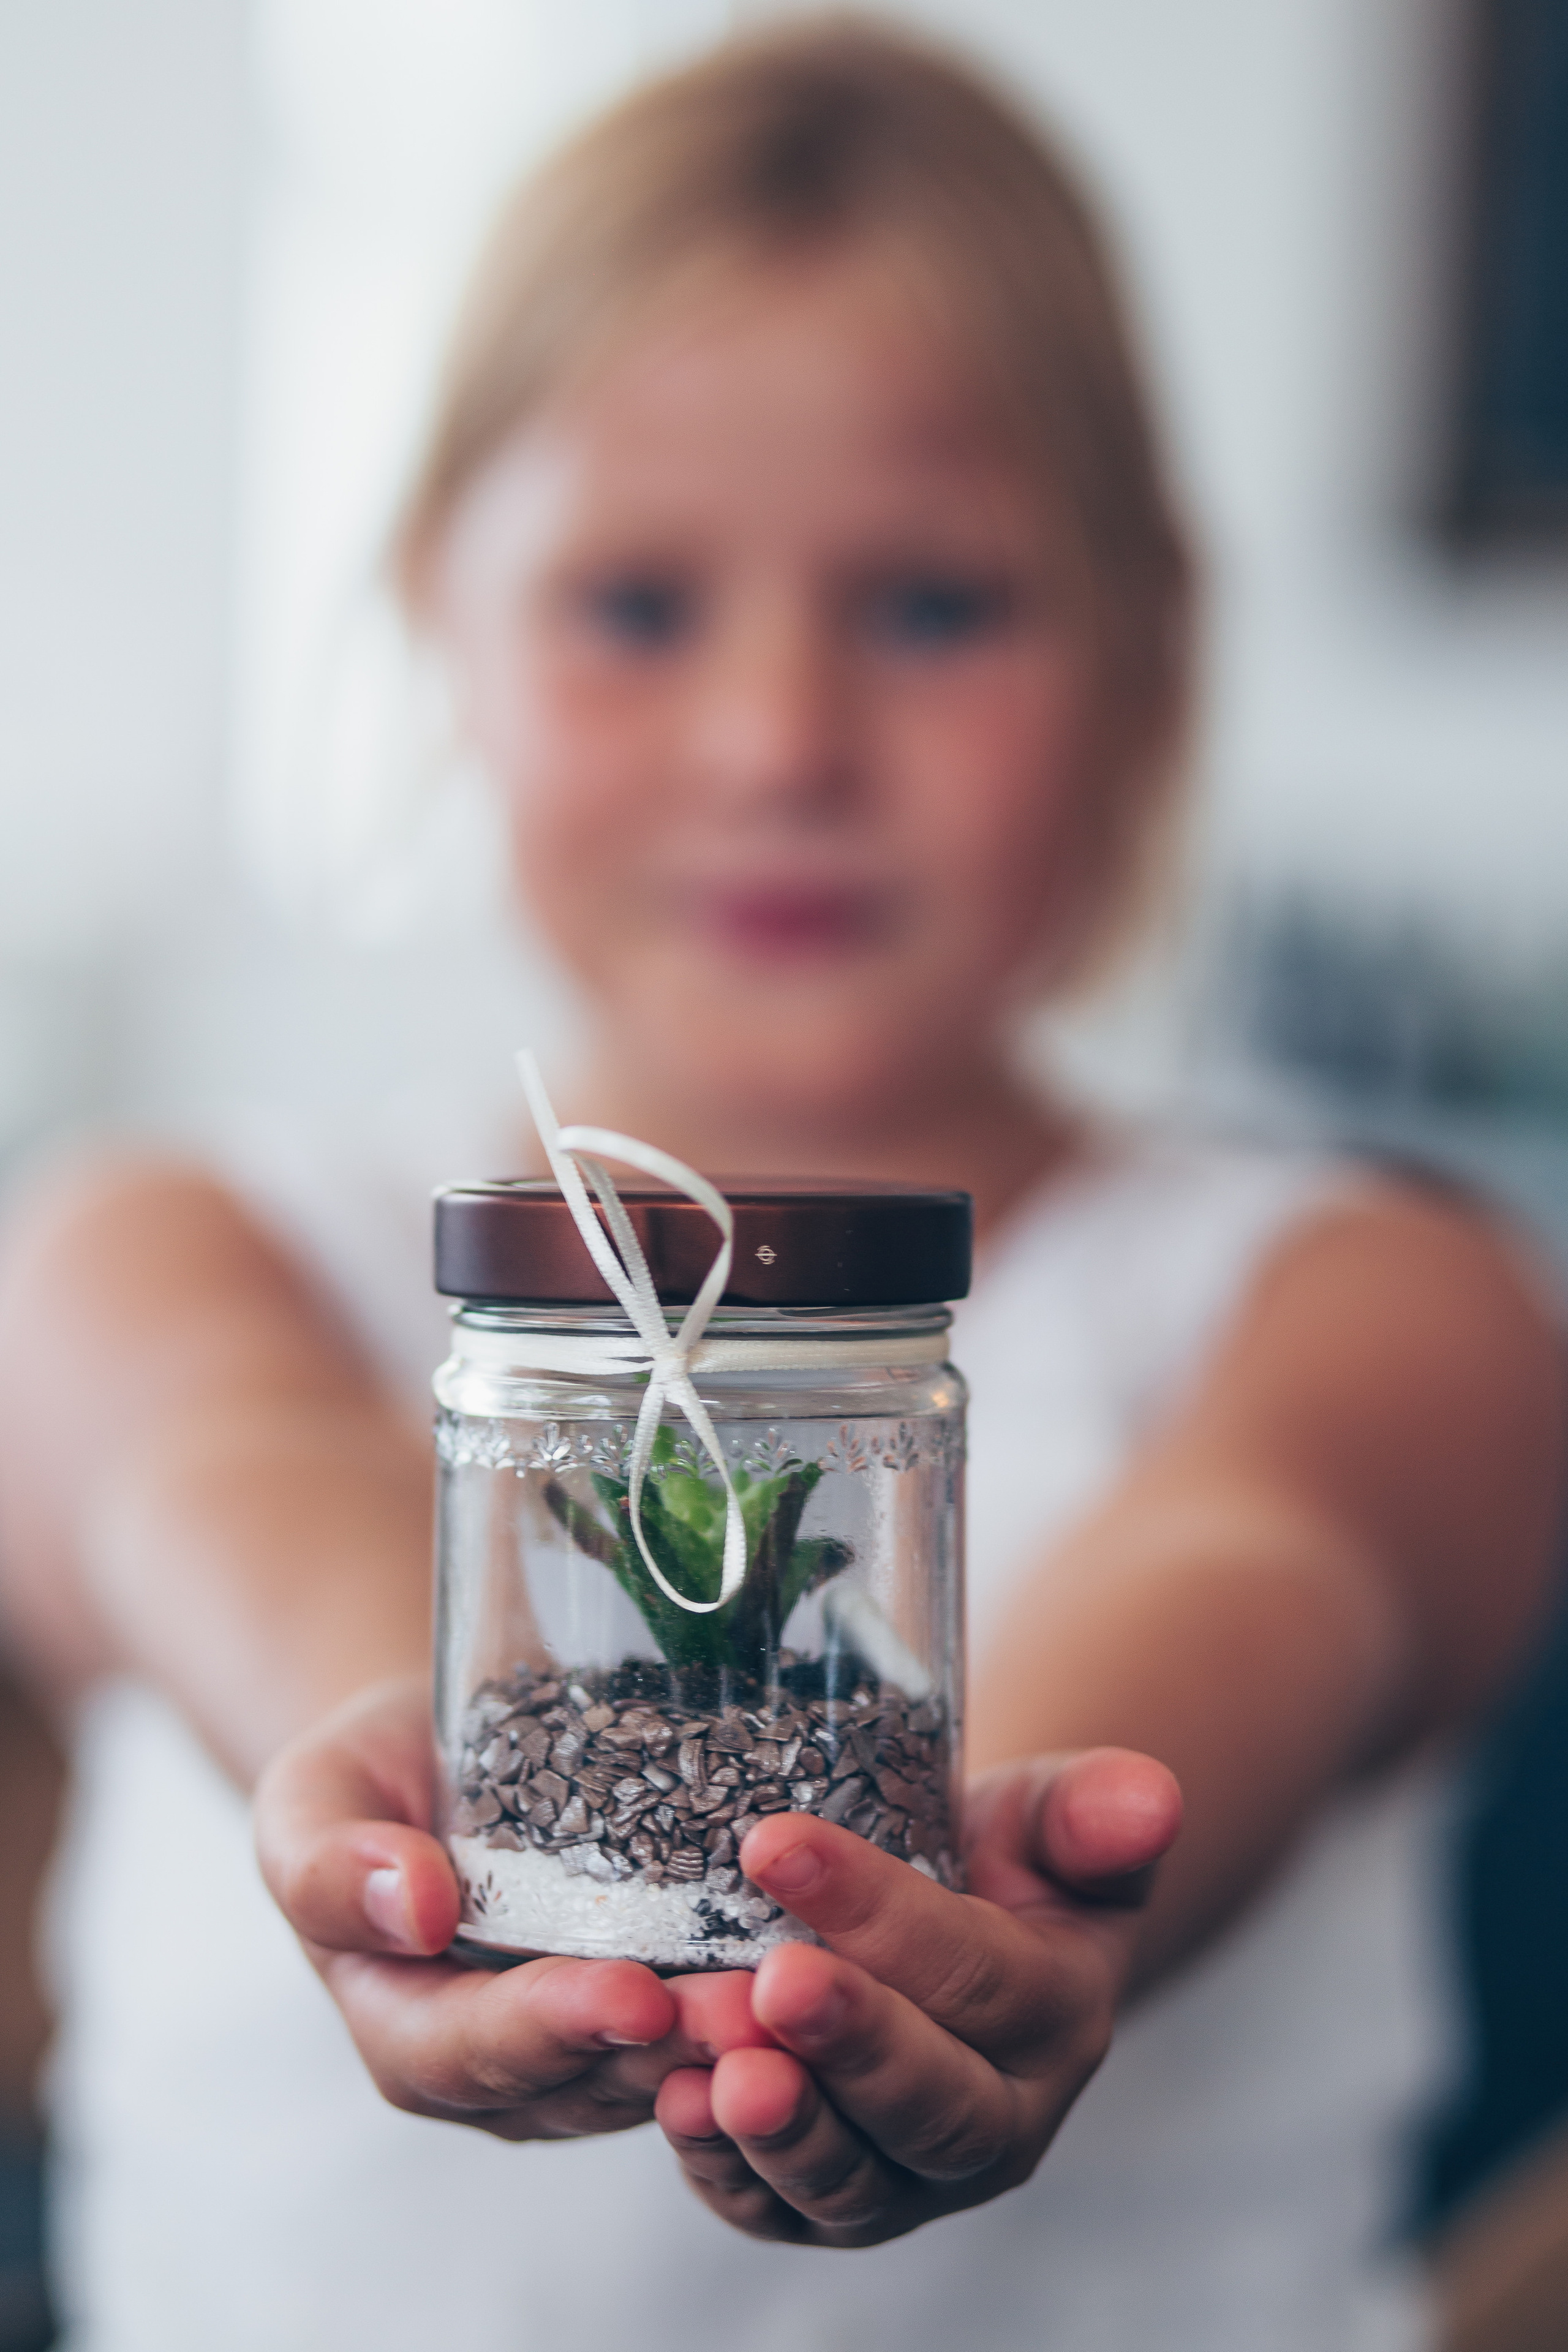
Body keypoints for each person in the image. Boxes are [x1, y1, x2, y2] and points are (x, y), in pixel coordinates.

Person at [0, 20, 1562, 2351]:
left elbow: (1264, 1565)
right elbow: (223, 1476)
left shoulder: (1375, 1302)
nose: (779, 741)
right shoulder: (170, 1248)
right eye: (638, 606)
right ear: (447, 615)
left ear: (1147, 650)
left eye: (935, 606)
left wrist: (991, 1906)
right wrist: (441, 1817)